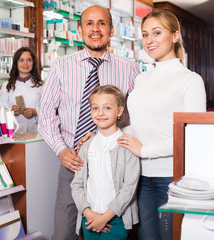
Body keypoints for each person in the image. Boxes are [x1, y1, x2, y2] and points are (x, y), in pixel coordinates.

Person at [38, 5, 140, 240]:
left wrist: (109, 137)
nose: (95, 29)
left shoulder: (129, 70)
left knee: (110, 231)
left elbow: (135, 117)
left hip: (115, 164)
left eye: (102, 23)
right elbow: (45, 115)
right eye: (89, 24)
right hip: (73, 163)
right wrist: (62, 150)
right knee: (64, 233)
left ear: (111, 29)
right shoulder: (61, 66)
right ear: (80, 29)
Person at [117, 10, 207, 240]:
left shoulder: (190, 80)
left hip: (172, 177)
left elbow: (191, 136)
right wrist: (103, 135)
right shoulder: (141, 78)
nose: (150, 40)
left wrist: (144, 151)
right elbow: (135, 125)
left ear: (175, 36)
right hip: (140, 176)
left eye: (157, 33)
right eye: (145, 35)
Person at [71, 85, 140, 240]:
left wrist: (105, 217)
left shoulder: (127, 146)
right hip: (88, 218)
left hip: (116, 220)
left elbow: (128, 189)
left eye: (107, 108)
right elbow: (77, 184)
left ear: (120, 111)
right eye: (95, 108)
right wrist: (87, 212)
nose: (100, 113)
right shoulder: (86, 146)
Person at [0, 47, 43, 132]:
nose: (25, 64)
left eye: (29, 60)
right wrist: (11, 111)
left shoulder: (42, 85)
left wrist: (35, 112)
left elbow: (51, 110)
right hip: (14, 132)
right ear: (16, 63)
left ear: (33, 63)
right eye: (21, 60)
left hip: (36, 132)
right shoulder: (7, 85)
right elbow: (1, 109)